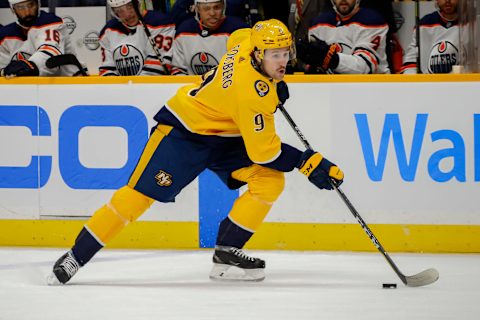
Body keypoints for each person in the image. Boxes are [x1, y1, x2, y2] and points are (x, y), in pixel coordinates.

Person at [47, 19, 344, 285]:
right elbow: (266, 153)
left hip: (226, 137)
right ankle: (77, 255)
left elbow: (238, 34)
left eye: (285, 54)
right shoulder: (252, 93)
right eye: (274, 55)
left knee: (269, 181)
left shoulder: (244, 44)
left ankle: (227, 253)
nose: (282, 62)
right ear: (257, 55)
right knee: (137, 198)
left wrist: (284, 63)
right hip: (184, 133)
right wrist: (307, 162)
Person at [297, 0, 390, 74]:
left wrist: (331, 59)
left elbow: (364, 67)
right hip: (333, 89)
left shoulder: (372, 21)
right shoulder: (318, 24)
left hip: (372, 89)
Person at [0, 0, 85, 77]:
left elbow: (50, 55)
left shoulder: (50, 22)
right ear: (12, 9)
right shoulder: (5, 34)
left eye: (31, 5)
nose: (27, 12)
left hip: (71, 82)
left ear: (38, 4)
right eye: (20, 7)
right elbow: (3, 69)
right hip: (32, 87)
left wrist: (31, 65)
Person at [170, 0, 248, 75]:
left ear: (223, 7)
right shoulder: (184, 31)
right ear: (197, 9)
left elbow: (245, 69)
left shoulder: (239, 31)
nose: (212, 13)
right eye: (206, 8)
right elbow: (178, 69)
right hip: (193, 87)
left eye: (217, 7)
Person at [98, 0, 175, 76]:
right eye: (120, 10)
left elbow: (156, 68)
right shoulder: (108, 31)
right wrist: (118, 88)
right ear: (114, 13)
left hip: (157, 87)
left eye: (130, 6)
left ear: (138, 3)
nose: (128, 14)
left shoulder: (159, 23)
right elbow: (107, 70)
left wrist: (133, 87)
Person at [401, 0, 458, 74]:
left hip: (460, 82)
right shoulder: (424, 24)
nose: (447, 0)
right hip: (429, 83)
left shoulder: (472, 24)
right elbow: (411, 60)